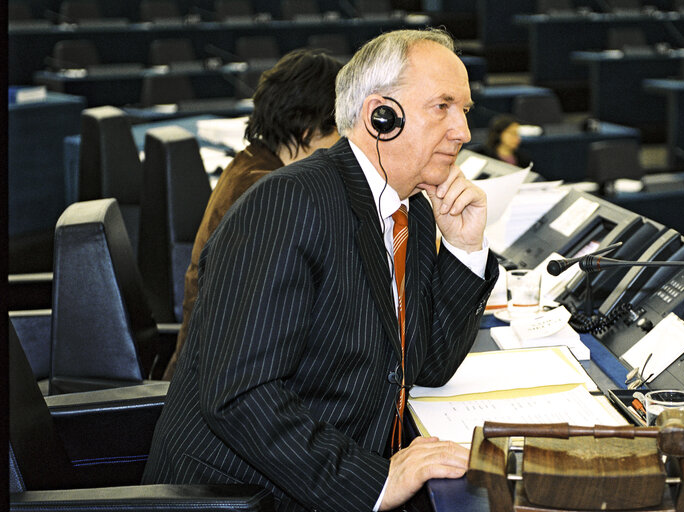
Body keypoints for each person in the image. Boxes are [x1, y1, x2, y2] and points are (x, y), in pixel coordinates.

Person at [143, 28, 499, 511]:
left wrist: (464, 249)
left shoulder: (410, 206)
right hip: (246, 494)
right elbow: (241, 393)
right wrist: (371, 483)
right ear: (381, 117)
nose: (463, 131)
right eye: (443, 107)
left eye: (464, 111)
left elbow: (427, 365)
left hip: (329, 464)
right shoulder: (287, 202)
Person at [162, 48, 343, 380]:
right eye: (340, 130)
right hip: (215, 392)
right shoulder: (270, 193)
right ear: (307, 130)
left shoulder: (252, 163)